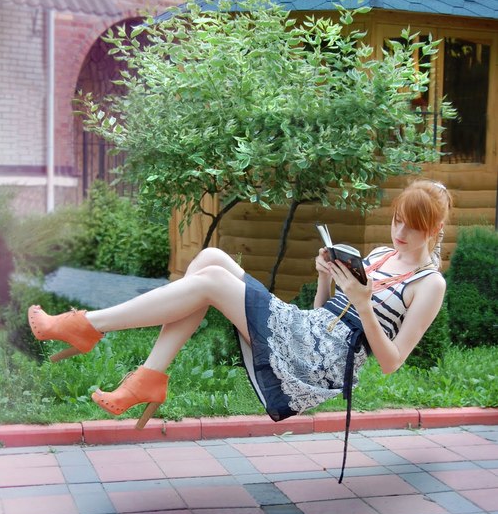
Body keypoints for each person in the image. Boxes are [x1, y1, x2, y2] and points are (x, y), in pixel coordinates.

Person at [28, 179, 452, 480]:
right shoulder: (378, 255)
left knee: (210, 282)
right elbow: (322, 312)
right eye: (397, 220)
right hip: (308, 329)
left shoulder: (429, 284)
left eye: (412, 226)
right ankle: (149, 377)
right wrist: (325, 277)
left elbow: (392, 362)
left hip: (320, 363)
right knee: (210, 258)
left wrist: (362, 303)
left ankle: (88, 326)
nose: (400, 232)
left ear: (433, 229)